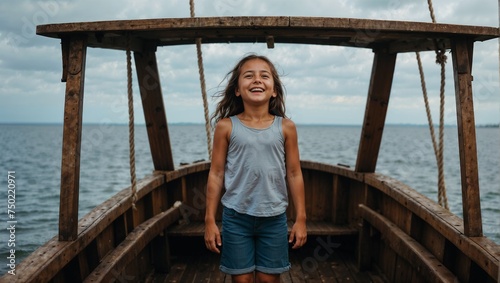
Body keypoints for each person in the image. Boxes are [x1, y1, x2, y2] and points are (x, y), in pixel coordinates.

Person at [204, 54, 307, 283]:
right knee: (241, 280)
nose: (257, 80)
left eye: (264, 76)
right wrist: (210, 220)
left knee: (267, 279)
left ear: (274, 91)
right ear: (238, 90)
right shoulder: (226, 126)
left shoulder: (286, 127)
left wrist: (301, 218)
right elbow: (216, 173)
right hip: (235, 216)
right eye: (248, 76)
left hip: (274, 217)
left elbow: (294, 173)